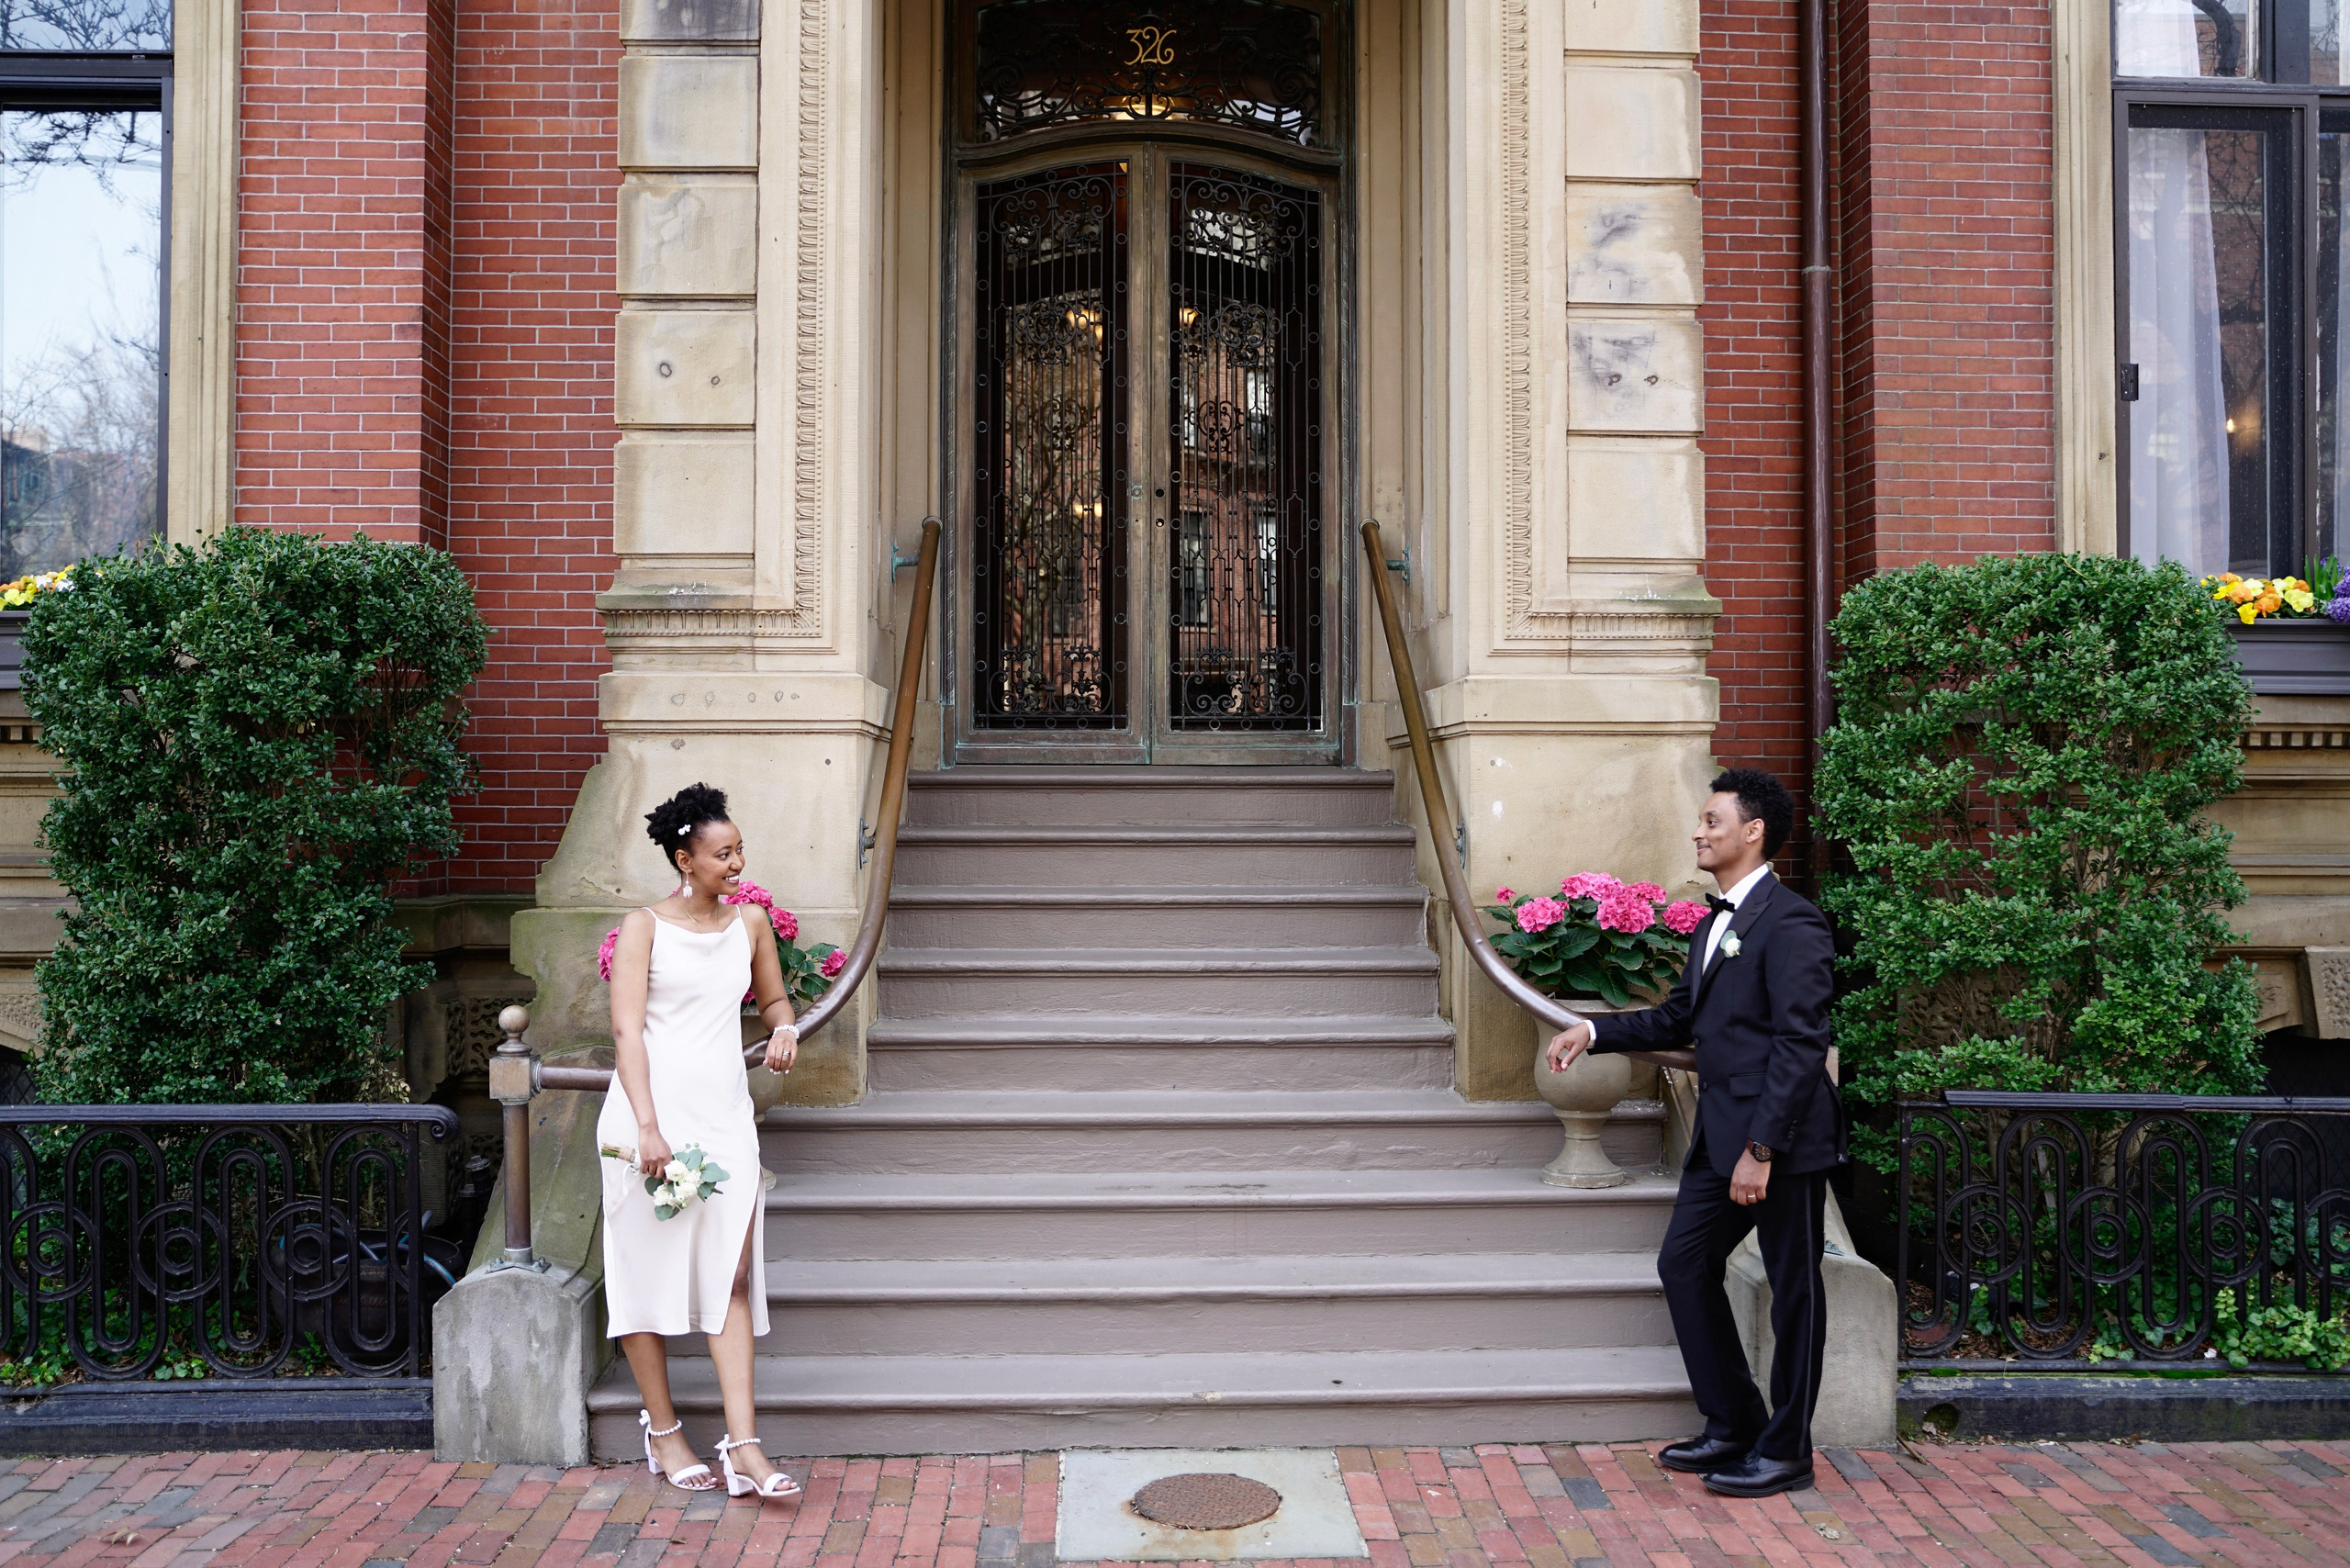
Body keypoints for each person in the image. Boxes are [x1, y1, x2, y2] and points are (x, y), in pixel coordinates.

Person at [1546, 767, 1841, 1498]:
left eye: (1712, 821)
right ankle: (1734, 1421)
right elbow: (1679, 1020)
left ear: (1753, 832)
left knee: (1795, 1291)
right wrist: (1593, 1029)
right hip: (1721, 1137)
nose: (1698, 832)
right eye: (1701, 821)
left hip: (1782, 1141)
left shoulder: (1794, 921)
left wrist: (1762, 1149)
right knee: (1682, 1266)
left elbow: (1801, 1046)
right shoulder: (1714, 924)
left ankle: (1786, 1451)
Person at [599, 782, 803, 1501]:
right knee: (644, 1275)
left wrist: (783, 1026)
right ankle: (663, 1430)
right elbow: (626, 1032)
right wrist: (648, 1128)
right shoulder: (643, 927)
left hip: (724, 1119)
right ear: (686, 859)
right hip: (646, 1120)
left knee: (733, 1277)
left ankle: (743, 1447)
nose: (738, 863)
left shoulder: (750, 924)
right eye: (724, 853)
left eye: (740, 850)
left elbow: (773, 998)